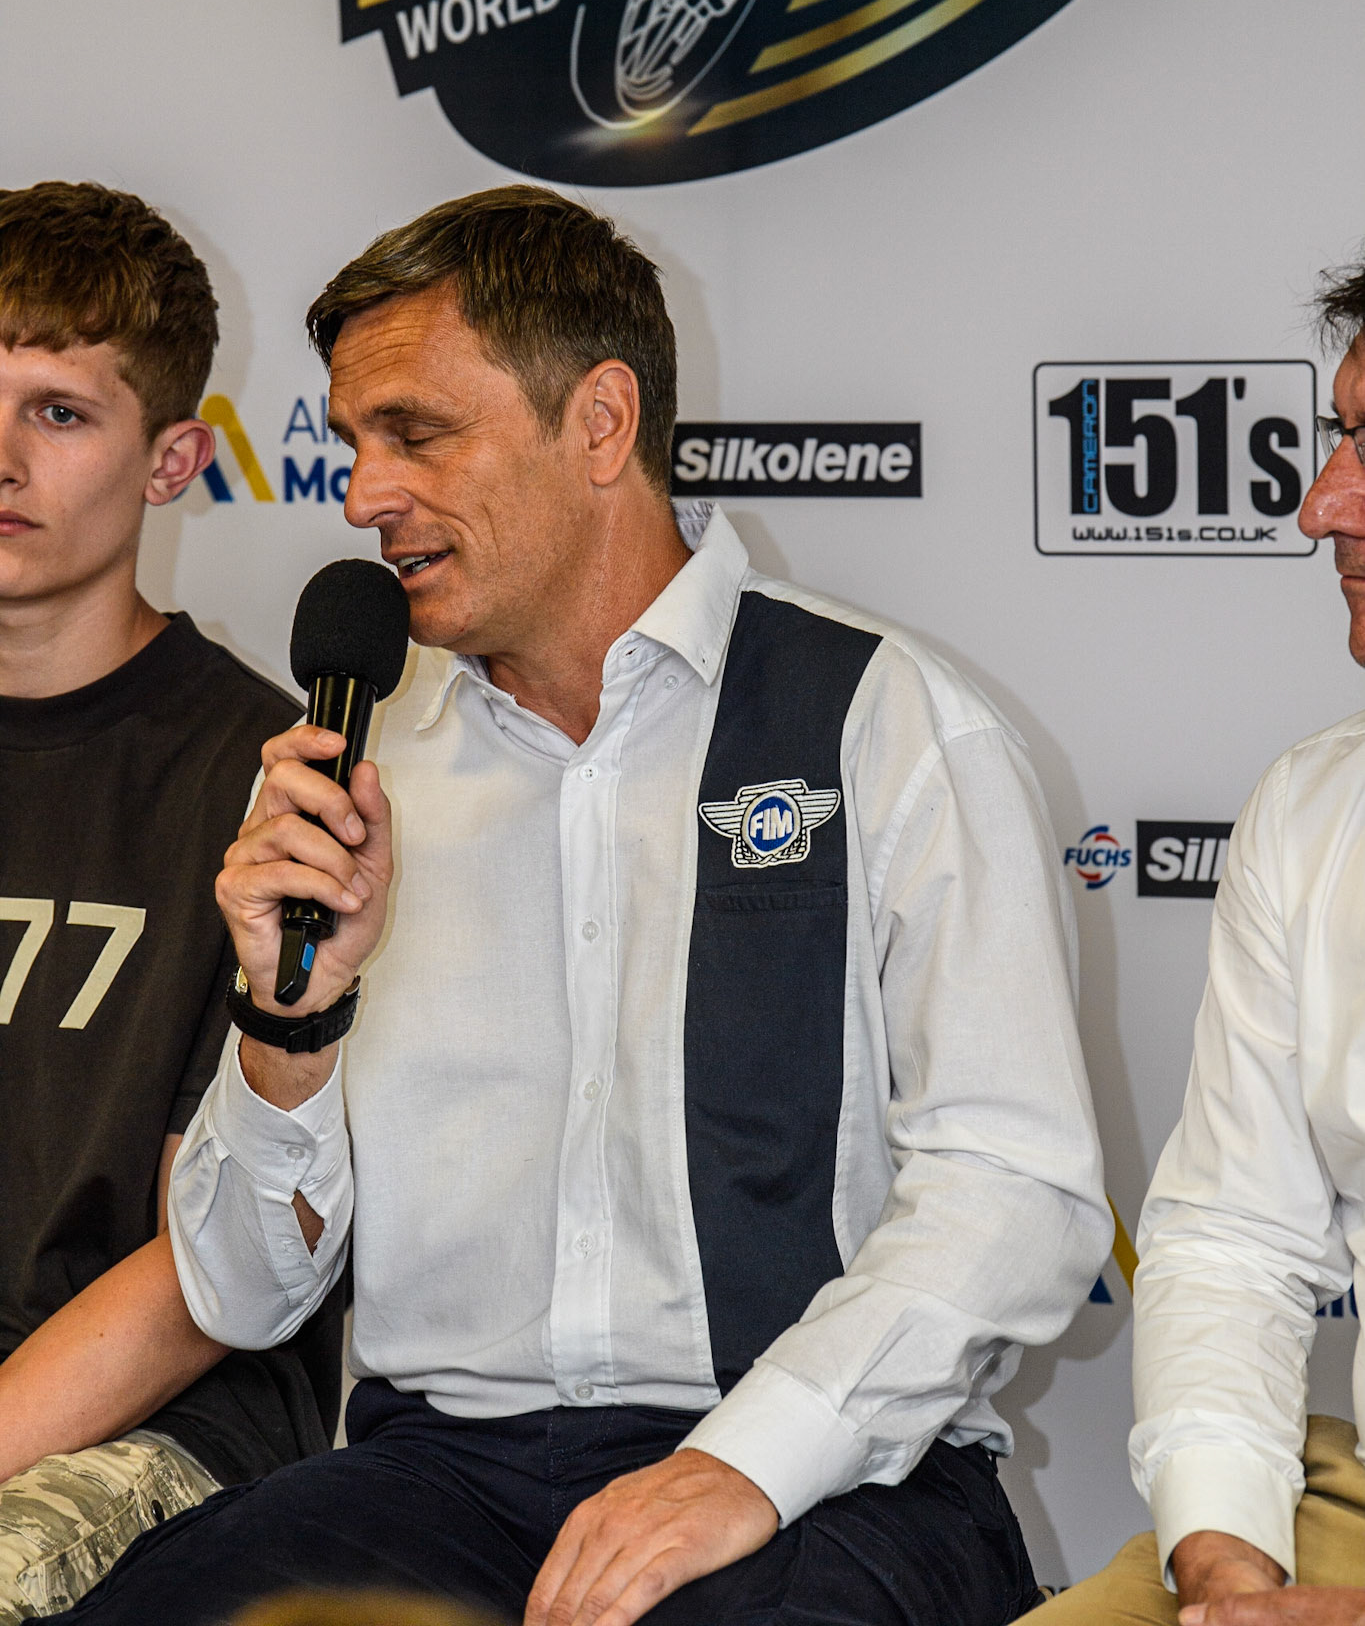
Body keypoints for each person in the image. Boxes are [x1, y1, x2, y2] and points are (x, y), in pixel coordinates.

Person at [63, 184, 1108, 1626]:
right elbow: (243, 1297)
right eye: (353, 441)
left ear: (600, 423)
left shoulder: (884, 724)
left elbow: (1015, 1191)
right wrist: (283, 1027)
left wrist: (744, 1462)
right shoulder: (345, 775)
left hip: (830, 1472)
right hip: (442, 1476)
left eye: (414, 433)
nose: (363, 493)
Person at [0, 182, 343, 1621]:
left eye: (58, 413)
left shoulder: (265, 795)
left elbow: (206, 1276)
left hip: (144, 1419)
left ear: (172, 460)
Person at [1040, 270, 1365, 1625]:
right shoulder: (1311, 815)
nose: (1319, 504)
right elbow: (1232, 1240)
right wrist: (1226, 1565)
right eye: (1340, 438)